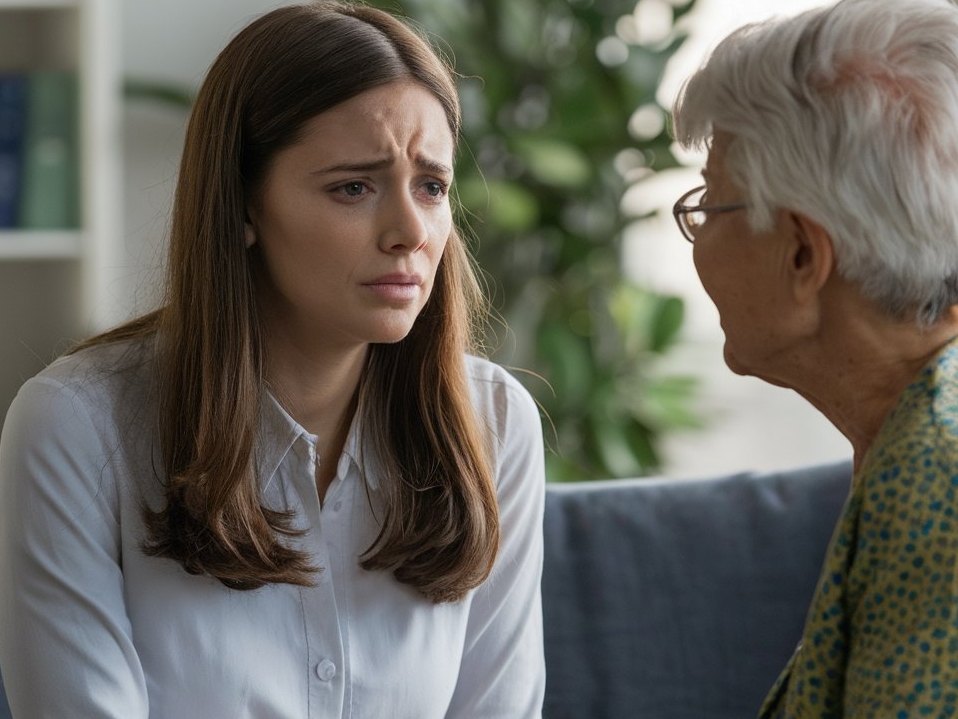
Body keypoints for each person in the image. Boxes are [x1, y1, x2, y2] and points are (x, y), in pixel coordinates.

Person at [0, 3, 546, 717]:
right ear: (242, 203)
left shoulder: (495, 421)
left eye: (432, 186)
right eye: (354, 185)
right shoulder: (76, 427)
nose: (411, 230)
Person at [670, 0, 958, 715]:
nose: (697, 235)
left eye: (710, 202)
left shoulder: (936, 483)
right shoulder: (912, 437)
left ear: (803, 255)